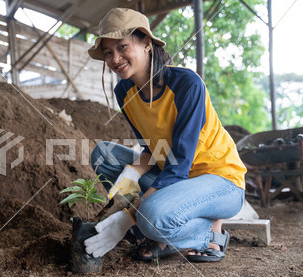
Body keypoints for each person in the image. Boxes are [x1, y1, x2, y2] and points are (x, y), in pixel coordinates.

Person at [84, 8, 247, 262]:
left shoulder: (187, 85)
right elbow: (153, 149)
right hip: (175, 182)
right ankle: (166, 226)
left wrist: (128, 217)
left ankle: (208, 234)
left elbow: (179, 165)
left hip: (220, 181)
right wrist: (134, 172)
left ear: (146, 43)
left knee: (150, 216)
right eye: (108, 52)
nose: (115, 59)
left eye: (122, 47)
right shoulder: (124, 92)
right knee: (103, 154)